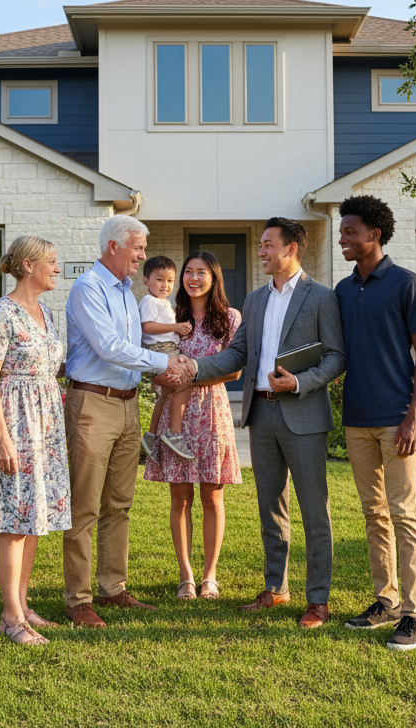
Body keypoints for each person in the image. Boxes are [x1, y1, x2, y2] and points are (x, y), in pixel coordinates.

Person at [178, 217, 346, 628]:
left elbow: (336, 357)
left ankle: (318, 600)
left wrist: (300, 382)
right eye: (262, 245)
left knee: (313, 510)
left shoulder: (321, 297)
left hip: (303, 413)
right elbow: (237, 354)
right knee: (271, 507)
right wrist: (193, 367)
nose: (262, 251)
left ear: (291, 249)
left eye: (269, 244)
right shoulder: (253, 300)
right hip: (261, 415)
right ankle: (276, 588)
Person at [62, 214, 192, 629]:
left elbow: (133, 348)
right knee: (84, 506)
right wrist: (166, 361)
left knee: (118, 504)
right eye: (137, 248)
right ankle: (77, 599)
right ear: (113, 247)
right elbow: (110, 347)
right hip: (93, 405)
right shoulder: (88, 288)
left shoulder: (125, 292)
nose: (143, 255)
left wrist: (159, 372)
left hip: (127, 404)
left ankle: (112, 588)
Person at [334, 194, 416, 652]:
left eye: (350, 231)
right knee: (374, 514)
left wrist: (415, 414)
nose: (343, 238)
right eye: (341, 231)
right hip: (357, 419)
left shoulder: (405, 284)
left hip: (397, 420)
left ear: (374, 234)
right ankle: (386, 600)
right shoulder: (342, 289)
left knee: (404, 514)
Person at [0, 236, 68, 646]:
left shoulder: (44, 312)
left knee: (33, 519)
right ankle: (11, 618)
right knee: (13, 520)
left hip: (45, 424)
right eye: (51, 261)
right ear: (28, 265)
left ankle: (23, 606)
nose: (57, 268)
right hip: (13, 423)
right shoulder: (0, 314)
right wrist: (4, 440)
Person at [143, 251, 243, 600]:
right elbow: (152, 360)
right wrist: (168, 378)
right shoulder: (172, 316)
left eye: (202, 272)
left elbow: (235, 370)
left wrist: (192, 378)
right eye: (188, 271)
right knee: (180, 497)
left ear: (214, 278)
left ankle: (209, 576)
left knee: (212, 496)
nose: (193, 278)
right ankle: (186, 576)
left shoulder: (229, 319)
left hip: (212, 411)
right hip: (177, 415)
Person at [138, 255, 197, 461]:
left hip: (167, 347)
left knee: (165, 394)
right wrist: (175, 327)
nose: (166, 285)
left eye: (170, 280)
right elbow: (148, 327)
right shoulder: (149, 300)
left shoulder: (165, 303)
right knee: (187, 382)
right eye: (160, 279)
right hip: (159, 349)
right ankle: (174, 433)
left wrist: (180, 330)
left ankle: (151, 436)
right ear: (146, 281)